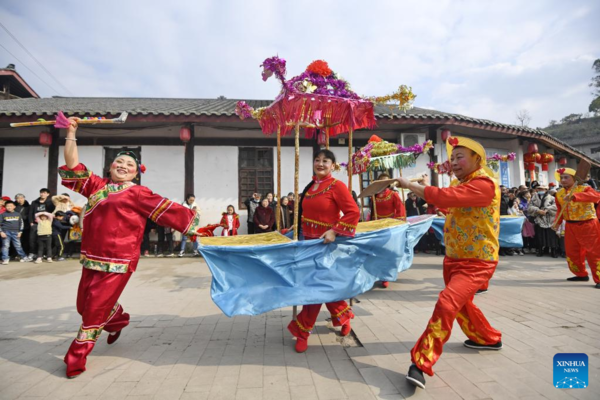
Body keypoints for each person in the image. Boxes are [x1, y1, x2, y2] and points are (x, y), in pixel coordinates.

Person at [59, 117, 202, 378]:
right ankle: (118, 320)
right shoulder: (96, 187)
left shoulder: (138, 193)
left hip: (119, 261)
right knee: (83, 305)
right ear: (110, 166)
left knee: (92, 311)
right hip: (91, 258)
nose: (123, 166)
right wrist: (71, 131)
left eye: (130, 164)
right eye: (119, 162)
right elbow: (72, 164)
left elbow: (168, 210)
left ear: (136, 172)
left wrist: (197, 227)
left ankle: (76, 357)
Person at [395, 136, 502, 390]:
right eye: (452, 157)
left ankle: (421, 362)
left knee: (447, 302)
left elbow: (444, 198)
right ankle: (488, 338)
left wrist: (410, 185)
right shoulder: (462, 183)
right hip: (454, 257)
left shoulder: (484, 185)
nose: (453, 162)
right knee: (462, 306)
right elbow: (451, 205)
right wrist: (425, 188)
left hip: (477, 261)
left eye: (460, 156)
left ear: (478, 159)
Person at [287, 149, 360, 353]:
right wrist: (295, 227)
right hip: (307, 244)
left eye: (325, 161)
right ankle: (344, 317)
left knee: (315, 289)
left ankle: (303, 332)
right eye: (317, 160)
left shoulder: (337, 186)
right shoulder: (311, 186)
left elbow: (354, 212)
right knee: (323, 288)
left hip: (327, 246)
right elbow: (306, 214)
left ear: (333, 165)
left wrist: (335, 231)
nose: (320, 163)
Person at [553, 167, 600, 288]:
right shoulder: (559, 193)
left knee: (594, 253)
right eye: (561, 178)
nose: (563, 180)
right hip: (570, 225)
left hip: (588, 224)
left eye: (566, 177)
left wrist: (575, 196)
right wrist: (557, 222)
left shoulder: (585, 188)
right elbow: (560, 210)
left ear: (574, 178)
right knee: (572, 252)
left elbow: (596, 197)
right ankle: (581, 274)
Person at [370, 173, 407, 288]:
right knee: (377, 252)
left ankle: (386, 276)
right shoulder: (374, 196)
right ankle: (377, 274)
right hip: (377, 226)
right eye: (382, 181)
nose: (384, 183)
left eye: (387, 181)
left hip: (390, 226)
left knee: (388, 251)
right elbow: (372, 212)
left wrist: (399, 225)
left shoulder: (393, 195)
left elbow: (400, 210)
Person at [527, 185, 559, 258]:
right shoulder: (534, 198)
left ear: (546, 189)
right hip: (539, 219)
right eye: (539, 189)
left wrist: (547, 209)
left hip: (550, 219)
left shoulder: (552, 198)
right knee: (540, 236)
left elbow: (556, 206)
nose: (540, 190)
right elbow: (530, 207)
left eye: (542, 189)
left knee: (551, 236)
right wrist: (537, 210)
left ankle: (553, 250)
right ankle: (540, 250)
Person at [28, 188, 55, 258]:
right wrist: (31, 222)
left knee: (45, 240)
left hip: (46, 224)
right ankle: (33, 253)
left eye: (44, 193)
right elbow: (30, 212)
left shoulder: (50, 202)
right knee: (32, 239)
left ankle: (45, 254)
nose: (42, 194)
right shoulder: (34, 202)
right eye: (41, 193)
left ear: (48, 194)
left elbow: (53, 212)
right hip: (35, 223)